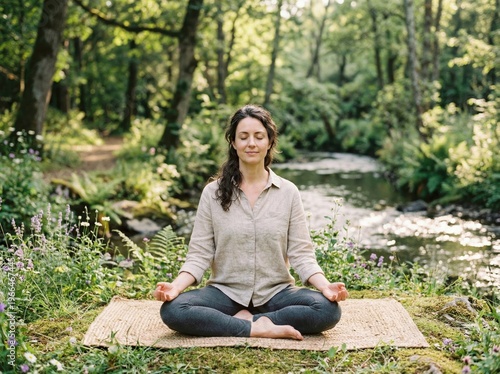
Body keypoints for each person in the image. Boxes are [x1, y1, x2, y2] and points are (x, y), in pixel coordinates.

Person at [154, 104, 348, 340]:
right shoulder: (212, 193)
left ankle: (249, 321)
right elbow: (200, 253)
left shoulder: (288, 192)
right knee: (174, 310)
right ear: (233, 143)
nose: (251, 143)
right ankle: (256, 328)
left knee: (327, 310)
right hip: (225, 293)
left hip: (277, 293)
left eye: (259, 136)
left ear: (269, 142)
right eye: (243, 137)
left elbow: (301, 253)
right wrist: (175, 287)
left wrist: (325, 286)